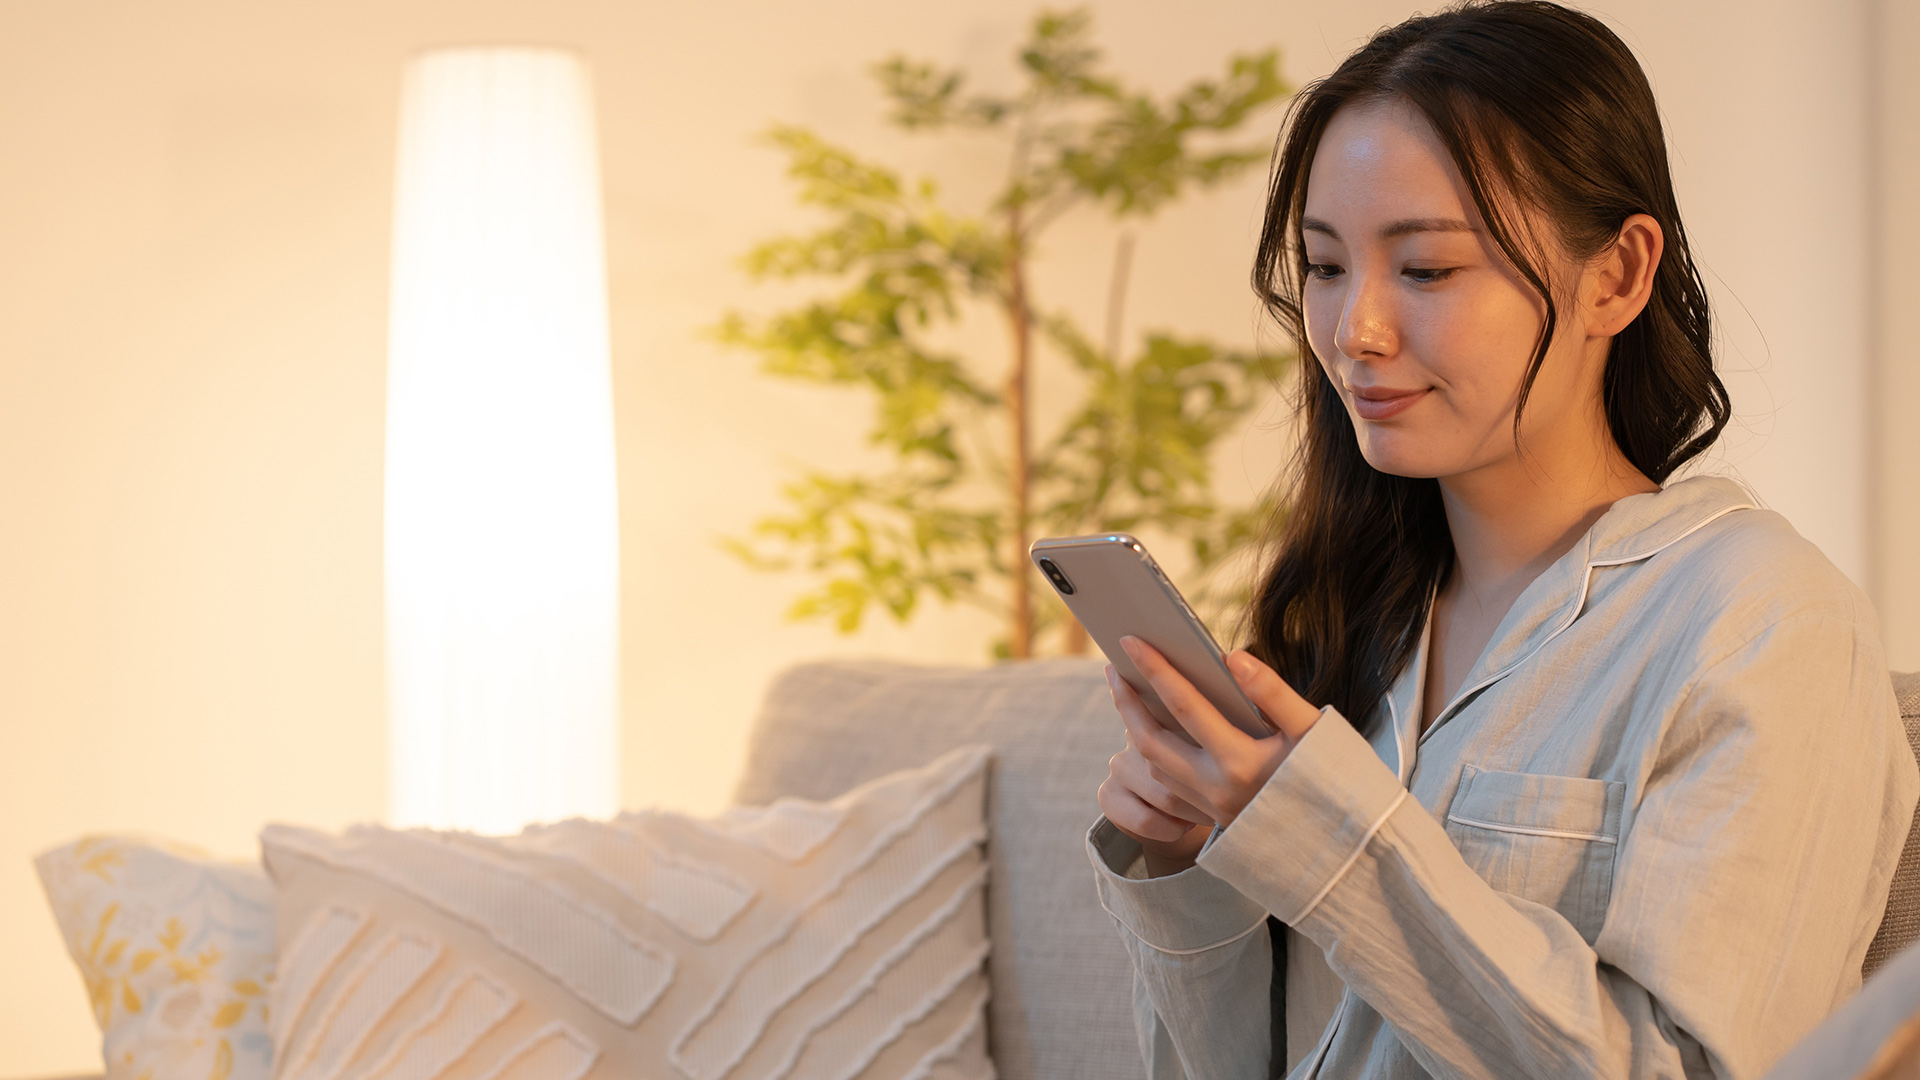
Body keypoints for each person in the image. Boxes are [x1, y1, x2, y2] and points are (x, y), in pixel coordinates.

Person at [1086, 2, 1919, 1078]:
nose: (1356, 332)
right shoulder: (1359, 620)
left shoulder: (1760, 619)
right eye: (1327, 268)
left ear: (1615, 276)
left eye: (1427, 270)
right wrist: (1188, 867)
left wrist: (1333, 842)